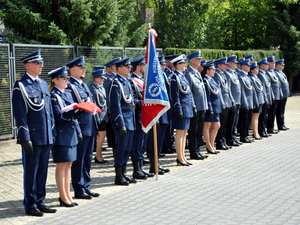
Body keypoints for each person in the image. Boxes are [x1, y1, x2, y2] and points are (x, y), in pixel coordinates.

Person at [12, 50, 57, 216]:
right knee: (31, 171)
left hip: (45, 136)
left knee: (43, 171)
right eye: (37, 63)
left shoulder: (44, 84)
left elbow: (49, 112)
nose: (41, 66)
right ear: (28, 65)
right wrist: (25, 138)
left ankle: (40, 200)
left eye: (41, 63)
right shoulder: (21, 85)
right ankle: (30, 204)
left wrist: (52, 134)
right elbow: (20, 114)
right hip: (32, 136)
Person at [66, 56, 100, 199]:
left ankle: (86, 185)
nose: (83, 70)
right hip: (81, 127)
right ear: (72, 70)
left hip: (90, 126)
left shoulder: (83, 84)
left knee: (87, 158)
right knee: (79, 160)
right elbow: (73, 109)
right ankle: (79, 188)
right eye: (81, 68)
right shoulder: (70, 86)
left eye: (84, 68)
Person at [49, 66, 82, 207]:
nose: (67, 80)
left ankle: (68, 195)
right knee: (62, 166)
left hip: (71, 132)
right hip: (62, 134)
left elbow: (72, 113)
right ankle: (62, 196)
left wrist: (78, 112)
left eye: (67, 78)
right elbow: (58, 117)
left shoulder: (67, 93)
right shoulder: (53, 96)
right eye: (64, 78)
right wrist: (73, 113)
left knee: (69, 165)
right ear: (55, 80)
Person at [109, 57, 136, 185]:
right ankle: (118, 175)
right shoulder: (116, 83)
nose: (130, 69)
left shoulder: (126, 82)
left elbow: (131, 101)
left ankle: (124, 173)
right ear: (119, 68)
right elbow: (116, 105)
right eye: (127, 66)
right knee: (121, 149)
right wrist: (121, 123)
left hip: (131, 119)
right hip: (123, 121)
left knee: (127, 148)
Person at [128, 56, 154, 179]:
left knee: (143, 144)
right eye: (144, 65)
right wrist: (146, 102)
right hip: (138, 116)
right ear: (138, 67)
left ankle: (141, 167)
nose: (145, 68)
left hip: (146, 116)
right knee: (137, 144)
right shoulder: (132, 81)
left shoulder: (144, 80)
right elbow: (134, 100)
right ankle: (136, 170)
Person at [170, 54, 196, 166]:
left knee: (185, 133)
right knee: (180, 134)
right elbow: (174, 96)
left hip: (187, 108)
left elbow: (189, 93)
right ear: (178, 65)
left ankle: (183, 156)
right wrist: (178, 109)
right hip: (181, 109)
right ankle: (179, 157)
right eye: (183, 63)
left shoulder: (183, 76)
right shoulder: (174, 77)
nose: (186, 65)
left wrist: (193, 106)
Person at [147, 55, 171, 175]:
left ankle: (157, 163)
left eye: (163, 65)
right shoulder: (154, 78)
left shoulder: (164, 76)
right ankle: (153, 165)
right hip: (157, 114)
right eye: (161, 65)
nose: (163, 67)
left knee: (160, 139)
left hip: (164, 113)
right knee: (154, 140)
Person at [185, 51, 208, 160]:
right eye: (198, 59)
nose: (200, 61)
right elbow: (189, 92)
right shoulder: (188, 74)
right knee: (193, 130)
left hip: (201, 106)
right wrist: (193, 106)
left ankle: (197, 150)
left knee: (199, 130)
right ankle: (193, 152)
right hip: (195, 107)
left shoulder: (197, 73)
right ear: (192, 60)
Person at [213, 57, 235, 150]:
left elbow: (228, 89)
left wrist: (232, 101)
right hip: (222, 103)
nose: (226, 66)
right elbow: (219, 91)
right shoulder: (217, 75)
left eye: (226, 64)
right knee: (221, 124)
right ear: (219, 65)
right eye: (224, 64)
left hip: (227, 102)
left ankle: (223, 140)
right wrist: (222, 103)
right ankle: (219, 142)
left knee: (225, 124)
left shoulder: (223, 75)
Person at [89, 66, 108, 164]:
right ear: (95, 78)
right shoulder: (93, 89)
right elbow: (94, 104)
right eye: (101, 78)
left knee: (103, 136)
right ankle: (97, 156)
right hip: (99, 116)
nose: (103, 79)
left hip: (103, 115)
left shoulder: (102, 88)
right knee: (101, 135)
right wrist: (97, 117)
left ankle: (99, 154)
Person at [201, 61, 221, 154]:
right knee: (207, 126)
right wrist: (210, 108)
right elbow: (207, 96)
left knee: (217, 126)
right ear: (207, 70)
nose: (214, 71)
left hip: (216, 106)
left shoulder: (211, 80)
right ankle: (209, 146)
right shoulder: (205, 80)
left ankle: (212, 145)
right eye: (213, 69)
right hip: (211, 107)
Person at [103, 58, 121, 151]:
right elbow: (108, 96)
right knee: (115, 138)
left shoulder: (118, 78)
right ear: (113, 67)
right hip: (113, 111)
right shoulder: (110, 80)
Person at [224, 55, 242, 147]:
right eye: (234, 63)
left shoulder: (234, 73)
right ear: (230, 63)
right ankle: (229, 139)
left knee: (235, 121)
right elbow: (228, 89)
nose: (236, 64)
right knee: (230, 122)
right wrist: (232, 101)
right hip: (232, 101)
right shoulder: (227, 74)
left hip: (237, 101)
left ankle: (233, 137)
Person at [238, 59, 257, 143]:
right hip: (245, 103)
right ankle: (243, 136)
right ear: (242, 66)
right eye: (247, 65)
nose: (249, 67)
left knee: (248, 120)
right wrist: (245, 104)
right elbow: (242, 91)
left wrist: (254, 102)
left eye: (249, 65)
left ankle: (246, 135)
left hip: (250, 102)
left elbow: (251, 91)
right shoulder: (241, 76)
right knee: (244, 121)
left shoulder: (247, 76)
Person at [266, 56, 282, 134]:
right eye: (271, 63)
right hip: (272, 96)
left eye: (274, 63)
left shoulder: (274, 72)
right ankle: (270, 128)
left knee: (273, 112)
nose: (273, 64)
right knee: (270, 113)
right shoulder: (267, 72)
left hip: (276, 95)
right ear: (268, 64)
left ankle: (271, 127)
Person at [257, 58, 273, 138]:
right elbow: (262, 89)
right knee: (263, 116)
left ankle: (263, 130)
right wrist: (265, 99)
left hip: (268, 98)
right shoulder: (260, 75)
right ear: (261, 66)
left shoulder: (265, 74)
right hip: (264, 99)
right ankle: (261, 131)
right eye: (266, 64)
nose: (268, 66)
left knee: (266, 115)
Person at [249, 62, 264, 140]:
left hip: (260, 99)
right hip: (256, 100)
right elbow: (254, 91)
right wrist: (256, 101)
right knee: (255, 117)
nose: (257, 70)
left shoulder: (256, 77)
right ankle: (255, 133)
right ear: (252, 70)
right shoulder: (252, 78)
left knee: (257, 117)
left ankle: (257, 132)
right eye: (256, 69)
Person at [274, 59, 290, 131]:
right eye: (281, 64)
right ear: (277, 65)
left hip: (284, 94)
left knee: (282, 111)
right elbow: (278, 85)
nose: (283, 66)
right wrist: (280, 94)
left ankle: (282, 124)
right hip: (281, 95)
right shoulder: (276, 73)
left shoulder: (281, 73)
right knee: (279, 111)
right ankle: (280, 125)